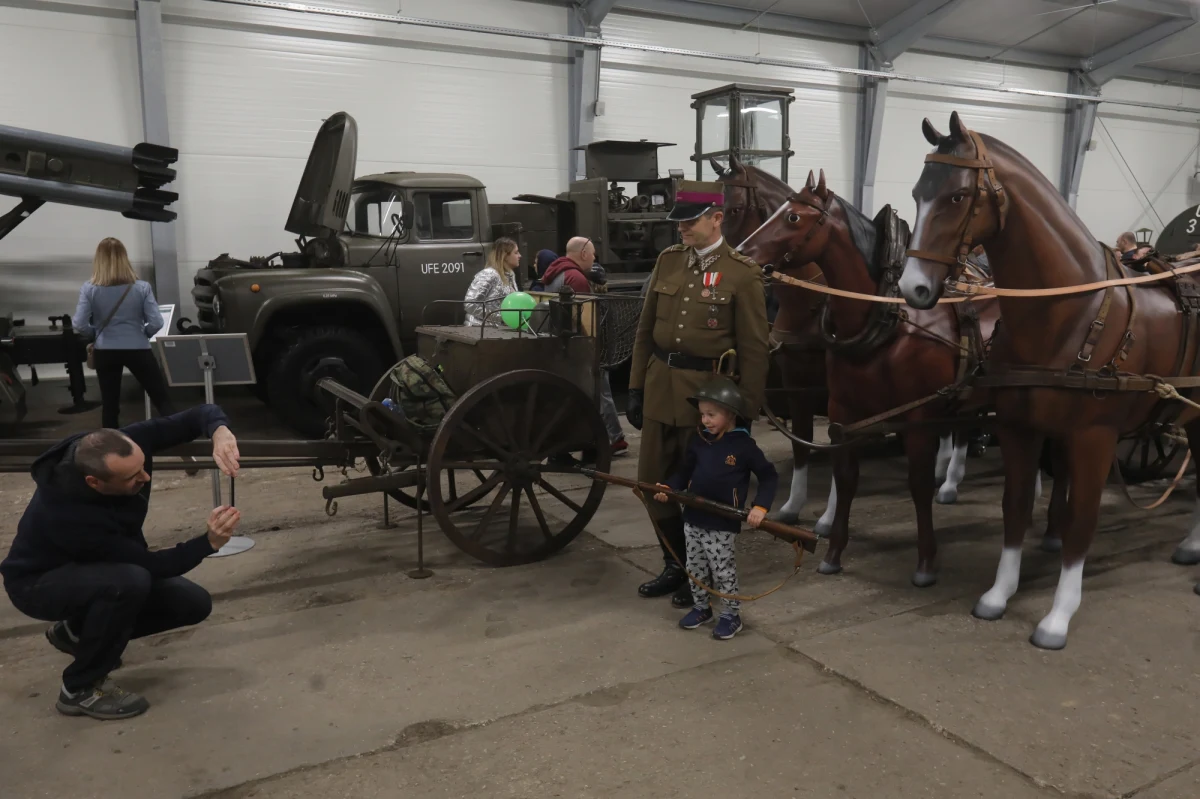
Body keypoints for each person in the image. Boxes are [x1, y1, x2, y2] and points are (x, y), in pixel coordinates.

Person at [0, 404, 242, 720]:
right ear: (94, 482)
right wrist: (208, 543)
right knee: (128, 582)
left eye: (143, 466)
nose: (145, 477)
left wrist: (220, 432)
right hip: (37, 584)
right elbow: (152, 567)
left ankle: (75, 633)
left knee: (193, 604)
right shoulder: (70, 515)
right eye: (132, 477)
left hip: (90, 569)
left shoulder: (128, 443)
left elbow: (200, 413)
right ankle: (80, 688)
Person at [626, 179, 771, 608]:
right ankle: (674, 564)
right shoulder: (668, 262)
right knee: (650, 481)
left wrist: (743, 411)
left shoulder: (741, 274)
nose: (681, 229)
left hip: (708, 399)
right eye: (679, 222)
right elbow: (644, 332)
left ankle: (698, 574)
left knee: (701, 488)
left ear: (717, 218)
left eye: (690, 221)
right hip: (659, 388)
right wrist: (635, 386)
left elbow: (754, 349)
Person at [653, 378, 777, 640]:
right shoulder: (700, 441)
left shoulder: (743, 446)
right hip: (694, 516)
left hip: (722, 521)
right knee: (695, 566)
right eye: (702, 415)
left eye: (711, 415)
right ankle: (701, 607)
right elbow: (684, 472)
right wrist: (668, 488)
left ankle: (731, 615)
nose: (705, 420)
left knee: (722, 568)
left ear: (730, 414)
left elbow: (768, 476)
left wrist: (761, 507)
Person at [73, 237, 175, 429]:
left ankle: (111, 450)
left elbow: (79, 323)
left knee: (110, 405)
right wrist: (143, 333)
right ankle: (182, 439)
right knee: (162, 399)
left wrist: (95, 334)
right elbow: (156, 321)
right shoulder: (141, 287)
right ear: (124, 258)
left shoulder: (89, 289)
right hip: (139, 349)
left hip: (106, 350)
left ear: (99, 260)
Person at [464, 237, 521, 326]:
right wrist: (501, 317)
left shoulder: (510, 275)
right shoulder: (488, 274)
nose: (519, 256)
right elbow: (470, 304)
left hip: (498, 328)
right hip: (479, 328)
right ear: (505, 256)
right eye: (516, 252)